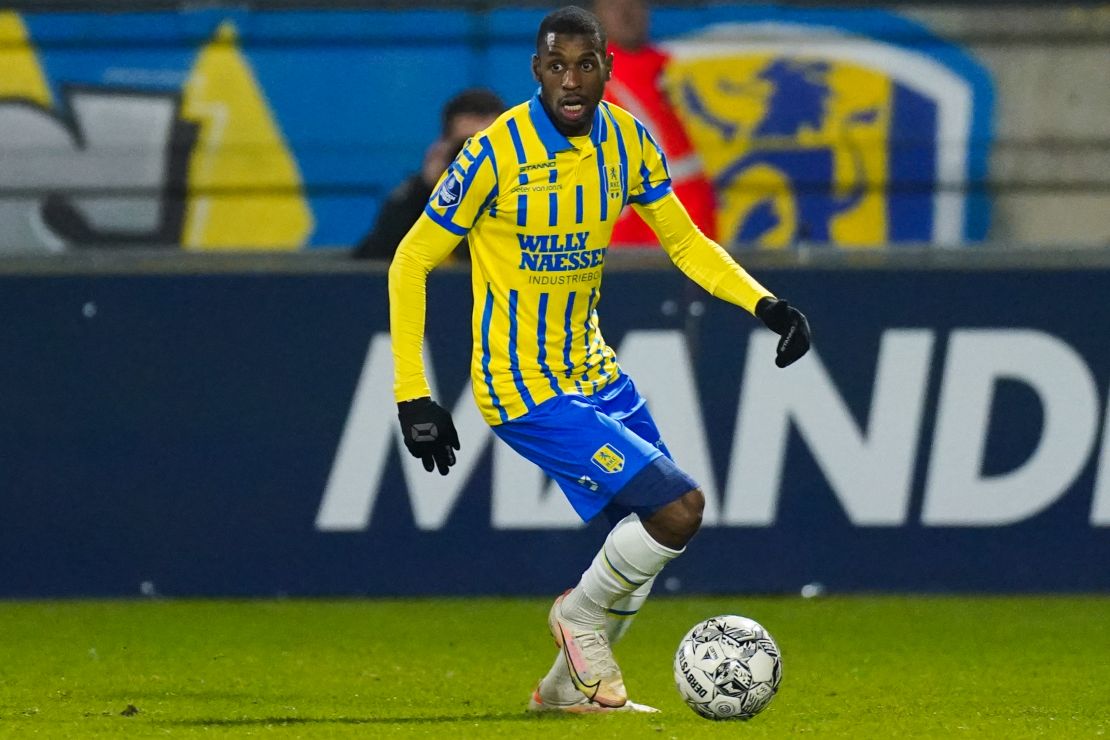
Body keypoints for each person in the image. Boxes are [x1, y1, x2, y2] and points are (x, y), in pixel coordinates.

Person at [388, 6, 811, 714]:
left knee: (648, 535)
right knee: (678, 511)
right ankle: (578, 620)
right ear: (537, 71)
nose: (572, 81)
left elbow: (685, 242)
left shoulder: (628, 143)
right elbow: (411, 260)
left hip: (594, 371)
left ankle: (562, 692)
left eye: (586, 65)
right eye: (557, 66)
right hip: (521, 385)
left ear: (608, 69)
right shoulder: (494, 153)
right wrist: (412, 393)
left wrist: (765, 305)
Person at [593, 0, 717, 248]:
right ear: (594, 13)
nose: (625, 12)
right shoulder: (581, 80)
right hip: (618, 245)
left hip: (688, 236)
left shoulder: (677, 70)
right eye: (612, 5)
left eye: (633, 4)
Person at [352, 88, 505, 260]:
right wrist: (425, 190)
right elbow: (372, 262)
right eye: (465, 146)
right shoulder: (417, 197)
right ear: (445, 146)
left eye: (486, 147)